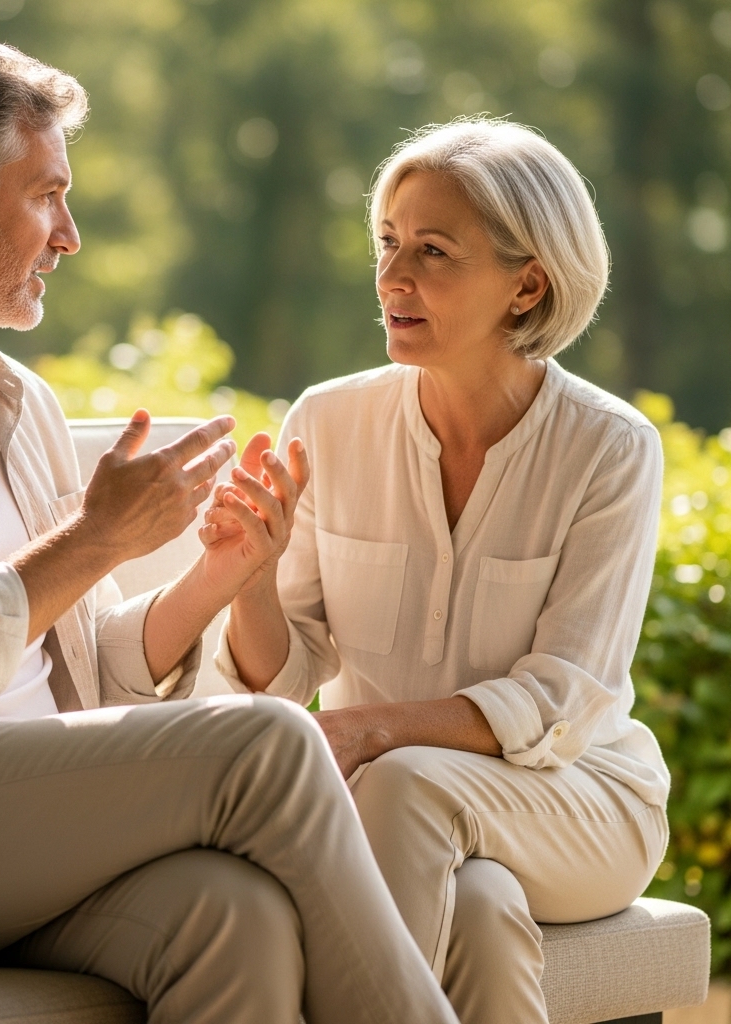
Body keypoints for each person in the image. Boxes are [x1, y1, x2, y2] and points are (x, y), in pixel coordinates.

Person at [0, 37, 460, 1024]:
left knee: (230, 913)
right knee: (268, 743)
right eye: (45, 195)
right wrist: (95, 539)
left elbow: (93, 668)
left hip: (20, 821)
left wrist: (220, 572)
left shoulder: (14, 400)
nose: (69, 234)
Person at [207, 118, 669, 1024]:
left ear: (527, 282)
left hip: (578, 800)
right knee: (485, 915)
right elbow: (289, 669)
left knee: (410, 783)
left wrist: (371, 732)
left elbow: (560, 696)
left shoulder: (611, 448)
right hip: (395, 809)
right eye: (386, 244)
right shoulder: (327, 421)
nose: (392, 278)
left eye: (433, 250)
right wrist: (251, 580)